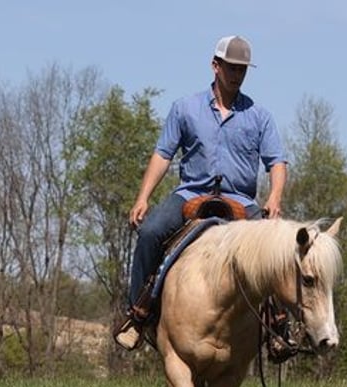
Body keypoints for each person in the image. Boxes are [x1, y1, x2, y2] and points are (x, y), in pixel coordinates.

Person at [115, 35, 288, 350]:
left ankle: (278, 327)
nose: (237, 74)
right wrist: (143, 197)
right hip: (190, 194)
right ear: (215, 66)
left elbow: (276, 162)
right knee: (151, 232)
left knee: (274, 247)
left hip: (240, 201)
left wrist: (274, 197)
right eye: (232, 67)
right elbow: (163, 155)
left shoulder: (259, 116)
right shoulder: (185, 108)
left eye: (243, 69)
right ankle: (137, 316)